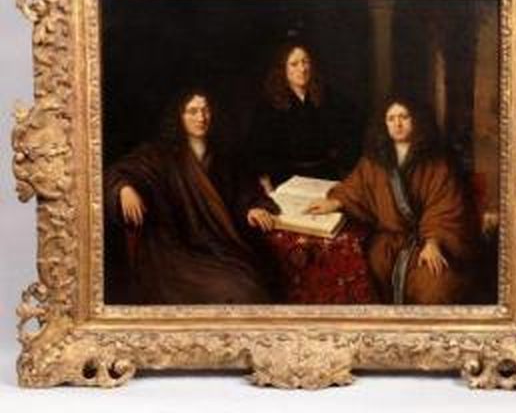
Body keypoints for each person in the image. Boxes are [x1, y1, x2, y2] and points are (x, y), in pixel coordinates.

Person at [104, 88, 279, 305]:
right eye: (193, 111)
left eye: (205, 110)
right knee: (239, 291)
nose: (201, 118)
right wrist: (123, 188)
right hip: (175, 252)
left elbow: (241, 191)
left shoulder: (221, 154)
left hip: (217, 244)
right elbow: (119, 172)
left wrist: (251, 207)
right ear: (180, 116)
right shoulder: (160, 154)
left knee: (253, 280)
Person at [306, 96, 481, 305]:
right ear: (384, 124)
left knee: (435, 288)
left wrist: (433, 242)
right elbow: (357, 188)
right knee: (368, 273)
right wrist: (337, 202)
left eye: (404, 117)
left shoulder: (437, 163)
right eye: (391, 118)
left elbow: (446, 208)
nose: (397, 124)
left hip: (431, 243)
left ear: (417, 120)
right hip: (388, 242)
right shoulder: (374, 160)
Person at [247, 42, 357, 192]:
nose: (302, 69)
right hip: (285, 179)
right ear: (283, 69)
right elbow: (258, 151)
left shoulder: (327, 96)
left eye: (305, 62)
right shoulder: (268, 105)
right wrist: (267, 185)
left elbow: (346, 134)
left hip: (324, 175)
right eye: (294, 64)